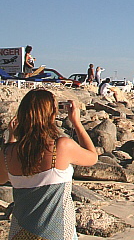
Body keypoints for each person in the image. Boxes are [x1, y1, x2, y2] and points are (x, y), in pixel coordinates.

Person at [0, 88, 98, 240]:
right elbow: (92, 157)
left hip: (19, 233)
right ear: (51, 114)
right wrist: (77, 123)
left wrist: (11, 138)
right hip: (57, 232)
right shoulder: (61, 146)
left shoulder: (7, 152)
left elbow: (1, 178)